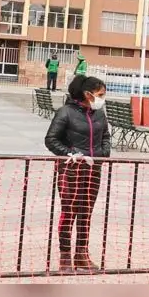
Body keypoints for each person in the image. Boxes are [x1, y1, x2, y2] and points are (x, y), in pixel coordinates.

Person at [44, 75, 111, 273]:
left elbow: (106, 136)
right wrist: (70, 154)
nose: (102, 98)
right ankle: (65, 256)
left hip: (93, 169)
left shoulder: (100, 114)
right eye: (100, 94)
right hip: (71, 170)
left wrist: (102, 153)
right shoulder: (65, 112)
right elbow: (51, 139)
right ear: (87, 94)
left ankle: (82, 254)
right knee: (69, 211)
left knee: (86, 212)